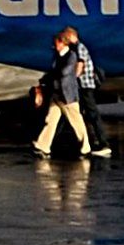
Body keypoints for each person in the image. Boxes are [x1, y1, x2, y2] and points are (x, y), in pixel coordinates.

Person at [34, 26, 96, 159]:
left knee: (76, 121)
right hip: (57, 94)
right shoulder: (58, 57)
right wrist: (43, 81)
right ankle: (43, 146)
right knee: (50, 119)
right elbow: (54, 72)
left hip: (68, 96)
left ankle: (86, 147)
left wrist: (51, 77)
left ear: (62, 43)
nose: (54, 46)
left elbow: (65, 72)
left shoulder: (71, 56)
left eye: (56, 43)